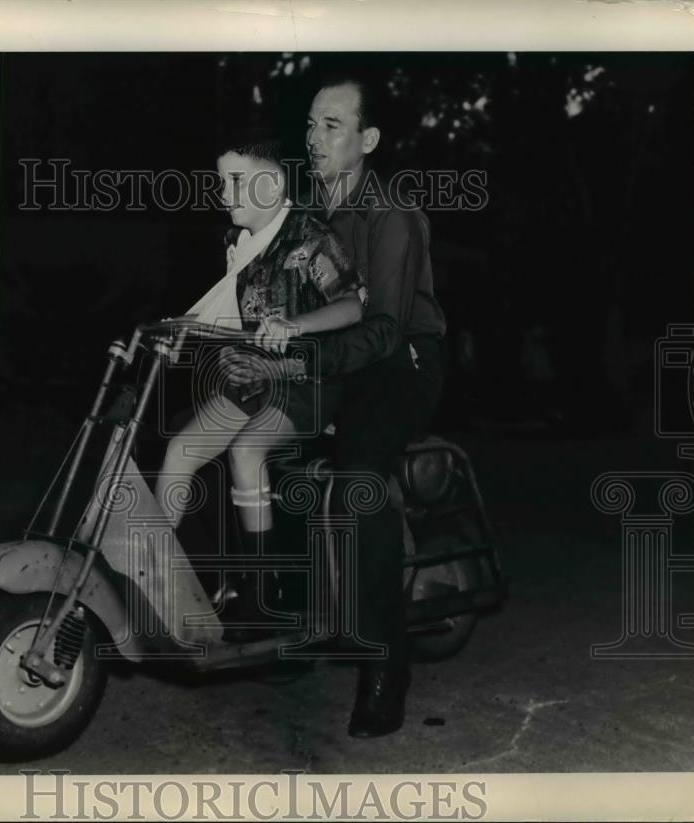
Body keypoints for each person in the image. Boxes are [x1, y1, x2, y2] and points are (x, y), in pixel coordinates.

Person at [156, 130, 365, 636]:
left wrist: (296, 327)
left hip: (308, 382)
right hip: (253, 383)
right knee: (179, 452)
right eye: (220, 181)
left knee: (246, 452)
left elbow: (357, 303)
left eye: (235, 181)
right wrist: (181, 329)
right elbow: (228, 315)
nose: (223, 193)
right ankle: (162, 578)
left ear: (271, 187)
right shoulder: (239, 244)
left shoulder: (310, 237)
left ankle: (263, 589)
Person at [297, 75, 447, 737]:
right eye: (310, 124)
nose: (315, 138)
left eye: (332, 125)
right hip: (338, 357)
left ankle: (386, 666)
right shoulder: (307, 214)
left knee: (358, 474)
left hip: (402, 360)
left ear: (369, 140)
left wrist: (309, 361)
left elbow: (384, 328)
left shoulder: (393, 217)